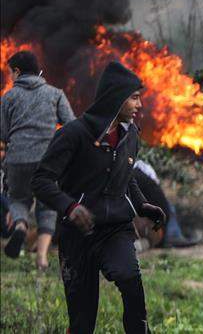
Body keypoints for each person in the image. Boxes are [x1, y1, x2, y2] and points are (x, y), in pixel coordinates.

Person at [32, 61, 165, 334]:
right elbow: (41, 180)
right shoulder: (73, 134)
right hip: (77, 236)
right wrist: (70, 207)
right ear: (116, 98)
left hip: (115, 229)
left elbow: (126, 176)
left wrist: (143, 205)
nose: (140, 105)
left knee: (130, 279)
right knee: (82, 321)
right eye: (134, 98)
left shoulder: (131, 136)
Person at [1, 50, 75, 268]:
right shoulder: (55, 94)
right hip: (47, 160)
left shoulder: (9, 97)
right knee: (48, 205)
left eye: (10, 73)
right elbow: (71, 125)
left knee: (18, 199)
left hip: (17, 159)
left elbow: (3, 133)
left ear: (17, 72)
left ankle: (21, 226)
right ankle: (41, 257)